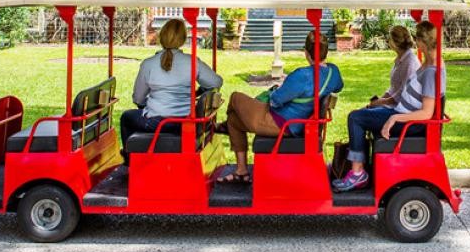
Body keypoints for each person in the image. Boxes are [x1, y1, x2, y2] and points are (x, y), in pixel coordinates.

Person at [215, 31, 343, 183]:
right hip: (296, 122)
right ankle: (241, 171)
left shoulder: (302, 75)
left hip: (282, 123)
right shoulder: (333, 72)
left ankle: (223, 128)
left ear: (306, 53)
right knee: (234, 120)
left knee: (235, 97)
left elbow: (275, 101)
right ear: (326, 51)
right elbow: (339, 86)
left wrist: (275, 91)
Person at [332, 20, 445, 192]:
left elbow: (426, 113)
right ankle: (361, 166)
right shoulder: (428, 64)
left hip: (408, 123)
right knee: (361, 114)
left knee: (355, 117)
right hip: (401, 113)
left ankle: (357, 173)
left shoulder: (431, 72)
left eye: (417, 39)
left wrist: (394, 117)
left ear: (422, 42)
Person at [120, 19, 223, 164]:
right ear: (182, 39)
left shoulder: (148, 64)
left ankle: (130, 160)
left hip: (156, 123)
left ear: (161, 37)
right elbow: (216, 82)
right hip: (186, 122)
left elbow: (138, 98)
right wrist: (199, 91)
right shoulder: (192, 61)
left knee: (126, 117)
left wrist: (146, 107)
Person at [367, 25, 421, 109]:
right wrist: (379, 101)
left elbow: (403, 94)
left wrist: (381, 101)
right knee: (361, 111)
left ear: (395, 43)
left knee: (356, 116)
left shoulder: (410, 63)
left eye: (390, 38)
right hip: (393, 106)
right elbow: (394, 88)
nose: (388, 40)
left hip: (401, 110)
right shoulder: (401, 59)